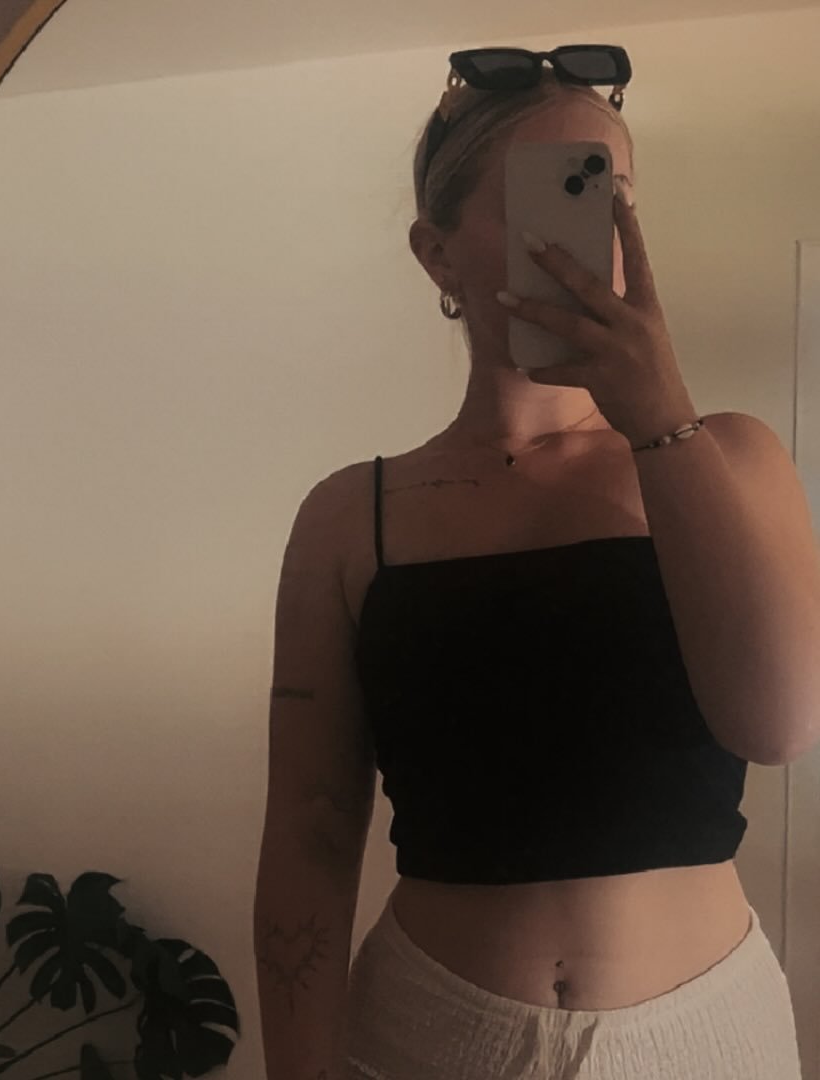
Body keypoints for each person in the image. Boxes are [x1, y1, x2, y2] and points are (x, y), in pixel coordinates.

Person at [253, 46, 803, 1080]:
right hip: (426, 1037)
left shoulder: (734, 456)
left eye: (610, 194)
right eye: (548, 197)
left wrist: (659, 420)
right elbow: (310, 832)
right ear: (438, 254)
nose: (586, 234)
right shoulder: (348, 517)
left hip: (705, 1037)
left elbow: (778, 725)